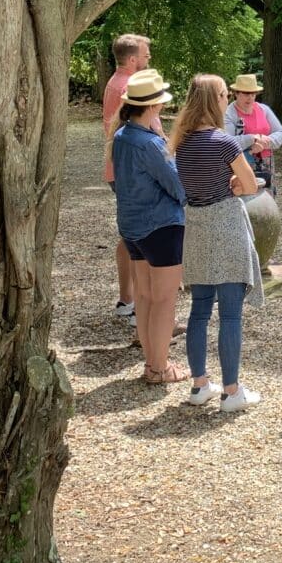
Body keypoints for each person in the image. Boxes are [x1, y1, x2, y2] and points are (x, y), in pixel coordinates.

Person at [172, 74, 265, 412]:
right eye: (225, 93)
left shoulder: (180, 142)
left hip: (196, 225)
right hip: (225, 224)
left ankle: (199, 385)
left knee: (198, 311)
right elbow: (251, 184)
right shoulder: (223, 142)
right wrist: (236, 185)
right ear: (215, 100)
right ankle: (231, 390)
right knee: (229, 314)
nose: (228, 98)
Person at [110, 69, 186, 385]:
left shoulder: (121, 136)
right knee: (164, 299)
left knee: (144, 296)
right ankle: (159, 367)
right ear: (154, 106)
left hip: (131, 225)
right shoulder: (150, 144)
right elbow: (178, 187)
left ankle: (151, 363)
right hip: (161, 227)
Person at [103, 33, 153, 323]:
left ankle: (128, 299)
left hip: (119, 169)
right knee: (141, 237)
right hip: (133, 172)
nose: (148, 59)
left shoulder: (114, 82)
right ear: (133, 59)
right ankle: (142, 308)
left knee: (128, 237)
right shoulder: (130, 87)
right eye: (145, 55)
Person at [223, 72, 282, 193]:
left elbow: (280, 132)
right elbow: (228, 142)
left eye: (253, 93)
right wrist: (253, 139)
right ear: (236, 93)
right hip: (241, 164)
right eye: (246, 93)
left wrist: (264, 143)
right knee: (246, 199)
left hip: (266, 163)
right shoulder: (229, 114)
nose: (250, 97)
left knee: (267, 200)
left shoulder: (264, 109)